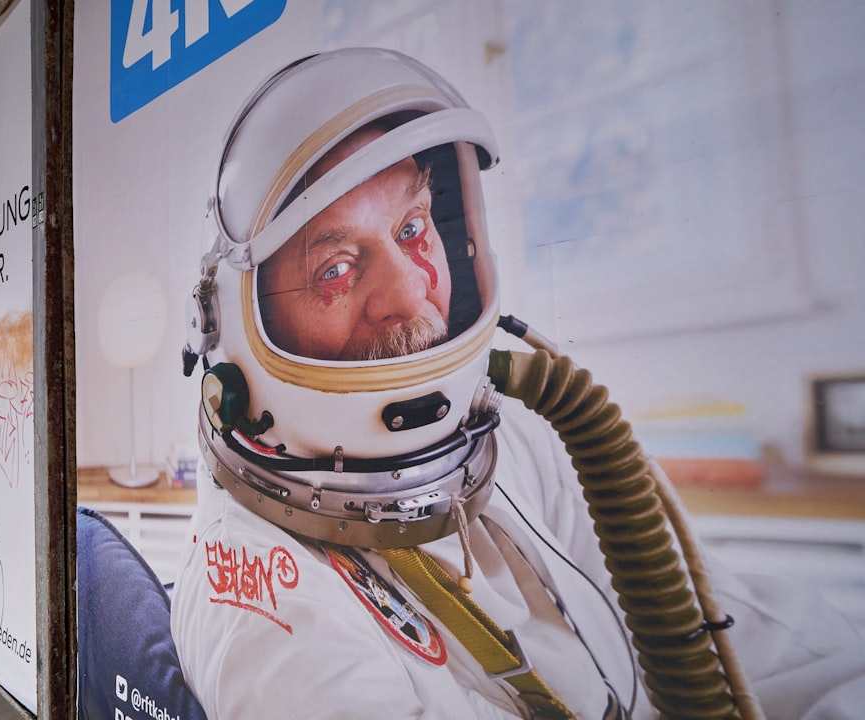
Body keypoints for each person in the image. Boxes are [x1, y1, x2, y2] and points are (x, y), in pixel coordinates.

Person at [171, 48, 865, 719]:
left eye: (413, 226)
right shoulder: (259, 593)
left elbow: (752, 643)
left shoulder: (519, 440)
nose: (411, 290)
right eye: (336, 268)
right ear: (238, 326)